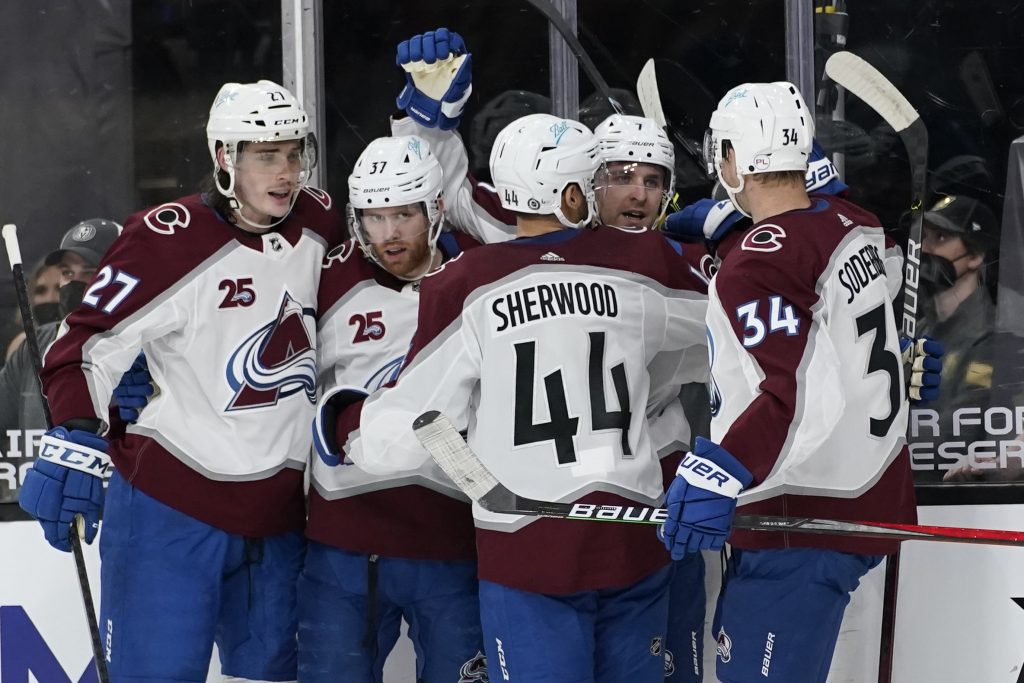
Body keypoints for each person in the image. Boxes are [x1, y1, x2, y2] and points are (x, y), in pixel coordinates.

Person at [334, 112, 709, 682]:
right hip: (632, 534)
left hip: (528, 547)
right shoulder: (645, 266)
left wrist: (347, 425)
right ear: (569, 194)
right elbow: (728, 339)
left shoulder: (469, 283)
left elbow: (408, 434)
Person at [18, 79, 345, 681]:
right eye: (266, 155)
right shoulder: (165, 239)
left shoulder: (320, 221)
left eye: (295, 152)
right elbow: (81, 345)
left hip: (277, 519)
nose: (287, 171)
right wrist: (78, 433)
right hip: (171, 510)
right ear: (226, 158)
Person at [660, 82, 920, 683]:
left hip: (801, 514)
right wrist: (733, 226)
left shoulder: (756, 265)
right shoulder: (856, 224)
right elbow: (809, 235)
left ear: (737, 158)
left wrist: (721, 468)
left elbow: (791, 389)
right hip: (869, 493)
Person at [301, 131, 490, 681]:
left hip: (454, 542)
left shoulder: (481, 277)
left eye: (404, 215)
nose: (388, 234)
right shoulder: (328, 279)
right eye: (373, 217)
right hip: (344, 547)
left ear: (435, 209)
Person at [0, 219, 122, 504]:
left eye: (90, 272)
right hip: (32, 518)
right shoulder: (33, 346)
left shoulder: (152, 345)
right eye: (68, 272)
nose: (74, 283)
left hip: (118, 515)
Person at [914, 194, 999, 480]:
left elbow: (957, 437)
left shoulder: (991, 335)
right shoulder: (913, 332)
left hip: (955, 499)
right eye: (924, 237)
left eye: (940, 238)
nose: (925, 248)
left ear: (974, 256)